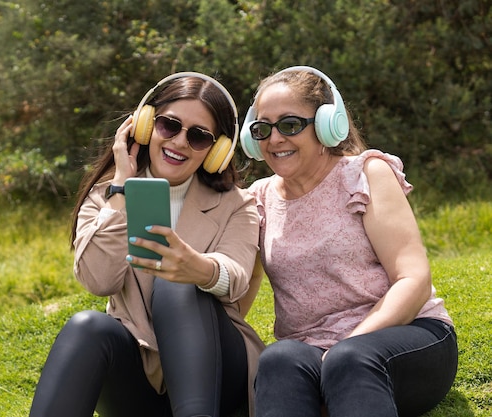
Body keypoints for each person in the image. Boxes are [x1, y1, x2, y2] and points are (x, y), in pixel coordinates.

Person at [28, 72, 265, 417]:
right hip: (140, 374)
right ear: (144, 126)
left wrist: (195, 268)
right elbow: (97, 280)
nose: (180, 142)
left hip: (217, 373)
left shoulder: (237, 204)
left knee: (177, 284)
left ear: (217, 151)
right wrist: (122, 186)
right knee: (88, 327)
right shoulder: (106, 197)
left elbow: (238, 275)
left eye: (199, 137)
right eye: (169, 125)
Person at [239, 66, 458, 417]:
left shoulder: (366, 174)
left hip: (408, 336)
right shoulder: (257, 199)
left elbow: (413, 279)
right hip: (313, 353)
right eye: (262, 129)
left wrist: (345, 345)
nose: (274, 139)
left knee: (349, 358)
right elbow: (241, 290)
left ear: (328, 124)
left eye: (290, 125)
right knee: (279, 358)